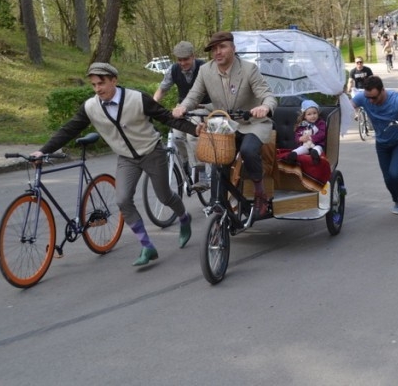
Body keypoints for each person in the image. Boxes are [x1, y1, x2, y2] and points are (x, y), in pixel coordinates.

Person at [31, 62, 200, 266]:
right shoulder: (91, 107)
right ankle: (147, 246)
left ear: (114, 80)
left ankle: (183, 217)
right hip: (126, 158)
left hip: (152, 152)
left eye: (101, 83)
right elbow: (69, 129)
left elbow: (166, 118)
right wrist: (44, 151)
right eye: (93, 85)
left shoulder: (138, 99)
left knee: (164, 196)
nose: (97, 89)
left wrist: (195, 130)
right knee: (122, 200)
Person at [172, 31, 278, 217]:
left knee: (247, 150)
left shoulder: (248, 69)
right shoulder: (206, 70)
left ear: (233, 49)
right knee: (217, 157)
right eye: (214, 49)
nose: (217, 52)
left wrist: (265, 107)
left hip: (252, 122)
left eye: (222, 47)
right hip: (225, 124)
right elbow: (194, 95)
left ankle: (260, 192)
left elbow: (267, 95)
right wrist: (182, 107)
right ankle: (218, 203)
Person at [350, 75, 398, 220]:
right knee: (387, 178)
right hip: (381, 143)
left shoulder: (396, 99)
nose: (370, 101)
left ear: (382, 91)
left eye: (374, 97)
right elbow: (347, 107)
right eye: (368, 97)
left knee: (394, 173)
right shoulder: (363, 97)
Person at [153, 41, 210, 186]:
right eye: (180, 60)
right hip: (183, 108)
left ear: (193, 56)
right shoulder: (173, 70)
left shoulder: (205, 68)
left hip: (202, 106)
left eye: (186, 59)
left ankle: (201, 175)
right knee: (177, 137)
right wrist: (152, 104)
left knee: (193, 136)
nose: (183, 63)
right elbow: (162, 89)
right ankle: (185, 163)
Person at [286, 99, 327, 165]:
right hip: (306, 145)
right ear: (304, 116)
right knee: (300, 149)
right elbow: (297, 135)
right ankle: (293, 156)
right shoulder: (302, 125)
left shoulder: (320, 123)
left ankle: (315, 156)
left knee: (317, 149)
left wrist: (312, 138)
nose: (313, 116)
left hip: (318, 144)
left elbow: (322, 134)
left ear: (318, 113)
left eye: (314, 113)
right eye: (309, 114)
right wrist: (300, 139)